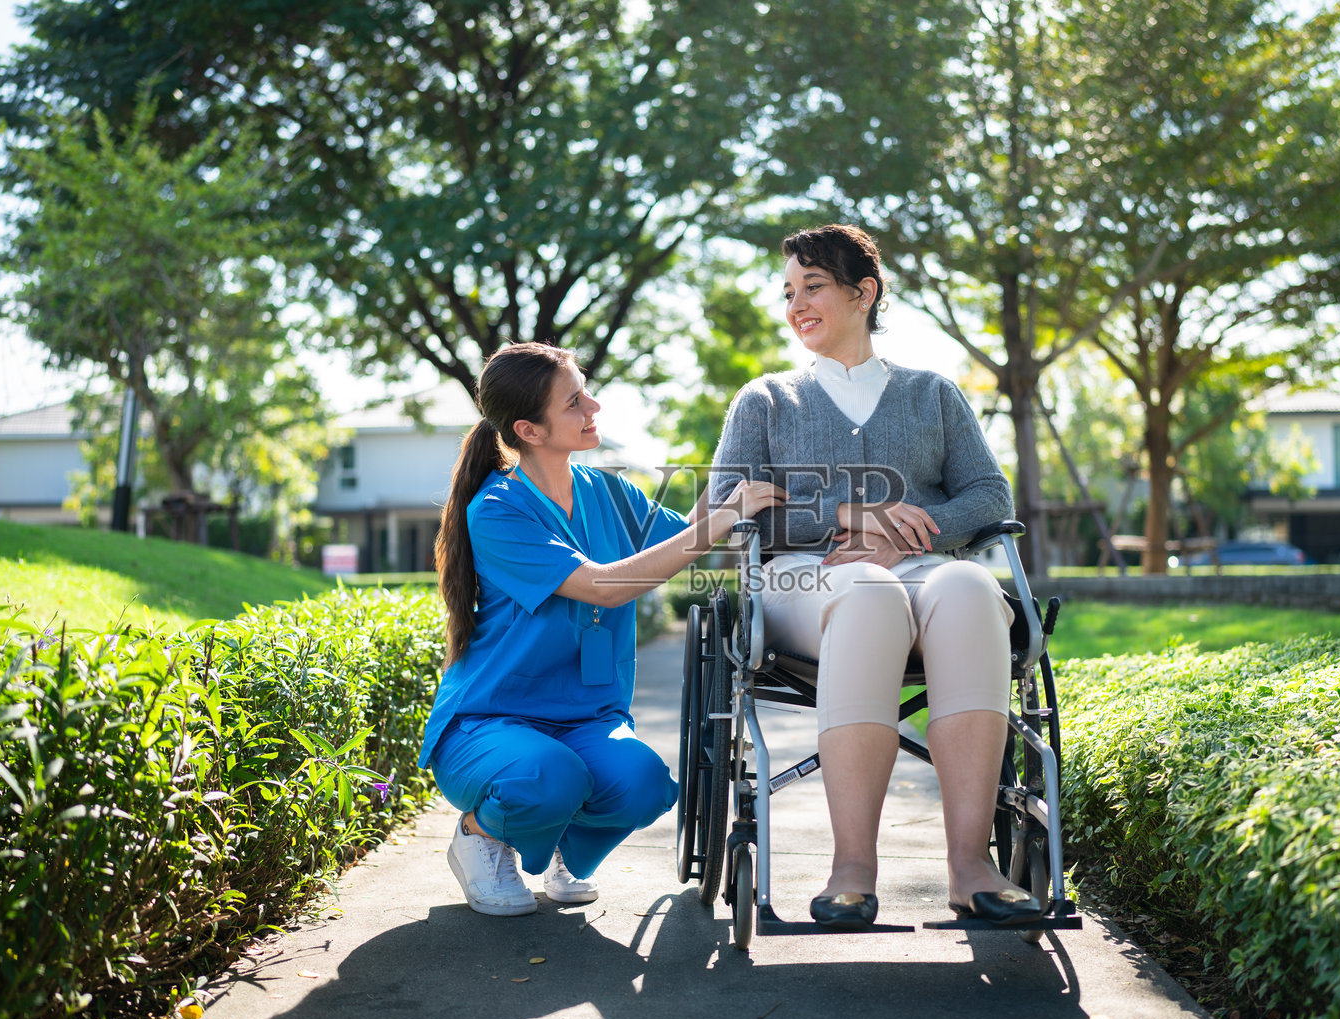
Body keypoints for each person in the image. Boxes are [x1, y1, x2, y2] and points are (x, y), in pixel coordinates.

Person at [709, 224, 1036, 930]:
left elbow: (989, 498)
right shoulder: (763, 401)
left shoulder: (933, 396)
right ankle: (852, 865)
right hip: (805, 580)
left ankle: (970, 864)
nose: (796, 304)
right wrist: (849, 512)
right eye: (789, 292)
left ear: (865, 293)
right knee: (870, 594)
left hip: (922, 570)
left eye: (813, 286)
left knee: (975, 589)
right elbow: (723, 509)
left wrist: (909, 523)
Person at [423, 342, 784, 917]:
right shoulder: (497, 509)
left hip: (587, 717)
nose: (593, 405)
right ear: (530, 430)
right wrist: (716, 523)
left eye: (585, 389)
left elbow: (679, 538)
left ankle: (566, 843)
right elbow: (603, 585)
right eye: (574, 401)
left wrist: (731, 494)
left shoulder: (606, 490)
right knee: (549, 776)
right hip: (491, 721)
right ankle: (478, 835)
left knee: (642, 782)